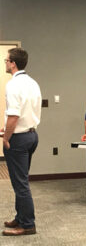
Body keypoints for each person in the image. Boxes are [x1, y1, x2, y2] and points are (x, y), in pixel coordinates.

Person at [2, 48, 41, 236]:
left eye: (6, 60)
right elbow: (26, 112)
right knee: (21, 180)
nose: (5, 63)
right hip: (32, 136)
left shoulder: (13, 85)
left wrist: (6, 137)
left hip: (18, 139)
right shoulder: (33, 83)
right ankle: (20, 216)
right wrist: (7, 129)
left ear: (13, 63)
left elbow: (14, 115)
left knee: (20, 183)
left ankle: (27, 224)